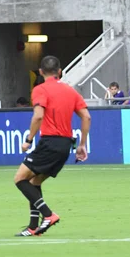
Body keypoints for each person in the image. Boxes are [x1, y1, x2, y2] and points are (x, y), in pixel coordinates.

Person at [13, 55, 91, 237]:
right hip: (65, 145)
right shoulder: (71, 91)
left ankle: (48, 214)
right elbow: (86, 117)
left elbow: (38, 116)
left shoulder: (40, 90)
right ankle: (33, 227)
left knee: (19, 179)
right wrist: (82, 145)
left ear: (40, 72)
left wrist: (29, 140)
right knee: (34, 181)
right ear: (60, 72)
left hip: (49, 142)